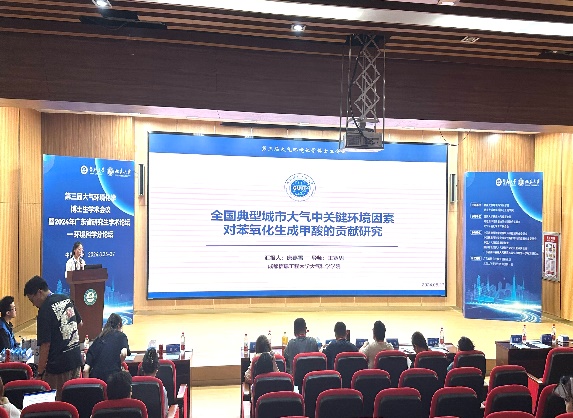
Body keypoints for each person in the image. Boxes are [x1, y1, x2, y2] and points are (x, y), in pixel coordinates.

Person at [23, 275, 83, 401]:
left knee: (57, 404)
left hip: (58, 367)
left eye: (32, 300)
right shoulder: (66, 299)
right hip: (76, 360)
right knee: (73, 400)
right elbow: (79, 323)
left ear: (39, 292)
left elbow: (45, 345)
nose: (33, 304)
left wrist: (40, 373)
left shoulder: (44, 310)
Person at [84, 313, 131, 381]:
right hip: (113, 381)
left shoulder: (98, 339)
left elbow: (85, 370)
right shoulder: (121, 336)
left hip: (97, 383)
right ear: (119, 325)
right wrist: (119, 363)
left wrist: (87, 385)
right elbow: (124, 353)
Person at [139, 347, 169, 417]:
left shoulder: (132, 386)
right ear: (156, 370)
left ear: (142, 369)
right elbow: (165, 413)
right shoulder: (161, 389)